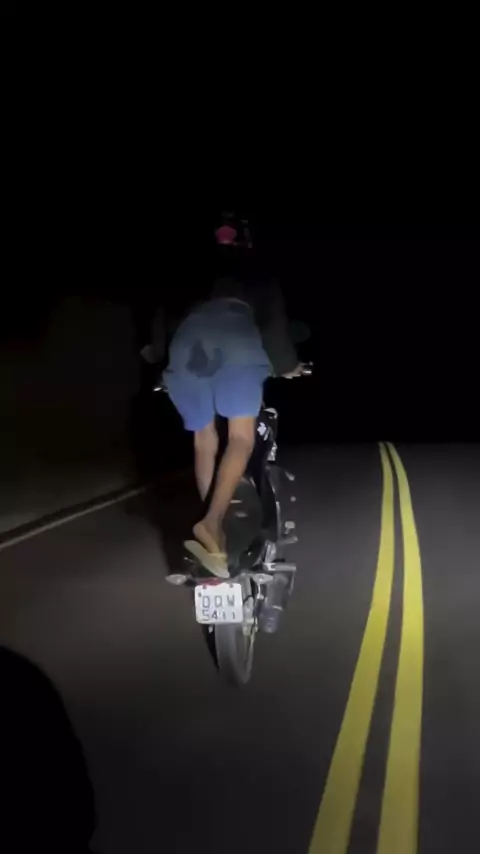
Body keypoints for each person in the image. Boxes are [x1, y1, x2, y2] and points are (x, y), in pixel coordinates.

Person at [161, 257, 303, 577]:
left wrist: (158, 353)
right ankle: (212, 522)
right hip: (235, 337)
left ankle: (215, 533)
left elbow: (167, 317)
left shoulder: (195, 274)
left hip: (185, 342)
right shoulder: (258, 274)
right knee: (240, 438)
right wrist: (288, 365)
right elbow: (274, 328)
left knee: (203, 440)